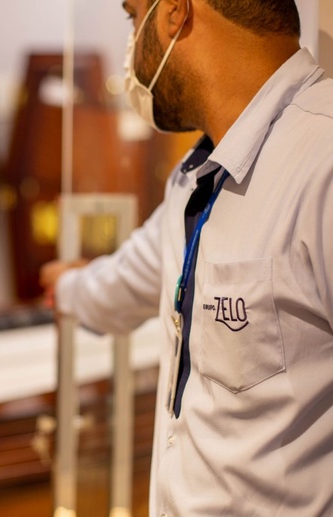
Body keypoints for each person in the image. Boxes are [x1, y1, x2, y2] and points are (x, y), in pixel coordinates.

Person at [40, 0, 333, 514]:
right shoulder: (197, 179)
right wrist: (66, 286)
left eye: (133, 17)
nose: (131, 46)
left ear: (175, 11)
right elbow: (123, 283)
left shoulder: (321, 159)